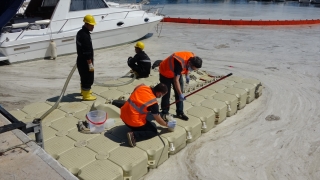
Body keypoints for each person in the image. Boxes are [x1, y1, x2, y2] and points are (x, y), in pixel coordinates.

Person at [120, 83, 176, 147]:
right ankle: (134, 134)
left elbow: (137, 89)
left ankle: (135, 128)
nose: (161, 96)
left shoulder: (142, 87)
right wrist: (167, 124)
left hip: (123, 116)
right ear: (158, 93)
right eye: (162, 95)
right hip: (132, 121)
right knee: (153, 131)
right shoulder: (153, 103)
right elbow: (158, 120)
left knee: (144, 120)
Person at [159, 51, 203, 121]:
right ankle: (165, 112)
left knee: (179, 91)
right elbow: (176, 80)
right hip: (165, 72)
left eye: (194, 70)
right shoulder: (179, 63)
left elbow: (187, 67)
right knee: (166, 93)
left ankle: (180, 112)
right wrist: (180, 94)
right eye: (193, 69)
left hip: (175, 72)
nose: (193, 70)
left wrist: (187, 74)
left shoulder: (192, 58)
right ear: (190, 63)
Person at [76, 14, 97, 101]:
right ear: (86, 24)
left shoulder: (80, 32)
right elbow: (87, 51)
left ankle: (83, 91)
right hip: (85, 61)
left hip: (80, 59)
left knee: (83, 76)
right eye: (91, 25)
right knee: (88, 77)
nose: (93, 27)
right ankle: (86, 95)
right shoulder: (85, 36)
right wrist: (90, 64)